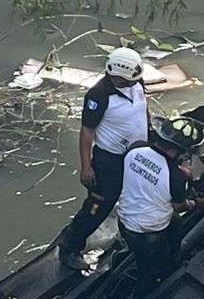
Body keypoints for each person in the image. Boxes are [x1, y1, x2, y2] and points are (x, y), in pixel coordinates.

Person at [56, 46, 148, 272]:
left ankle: (126, 236)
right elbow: (87, 131)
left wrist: (150, 133)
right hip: (109, 161)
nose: (132, 84)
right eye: (127, 81)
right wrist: (86, 166)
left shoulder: (136, 83)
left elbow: (142, 110)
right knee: (98, 205)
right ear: (115, 74)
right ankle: (69, 246)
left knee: (133, 198)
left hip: (135, 156)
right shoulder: (98, 95)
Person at [115, 116, 204, 299]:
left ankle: (154, 256)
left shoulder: (135, 150)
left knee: (175, 223)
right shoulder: (176, 178)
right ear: (181, 152)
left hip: (124, 221)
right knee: (155, 273)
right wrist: (196, 203)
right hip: (148, 234)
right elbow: (179, 205)